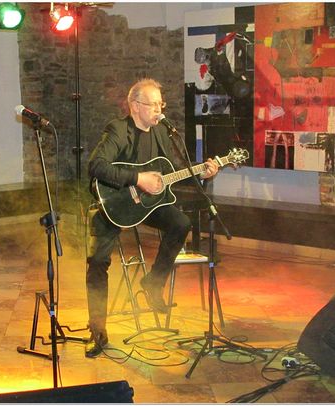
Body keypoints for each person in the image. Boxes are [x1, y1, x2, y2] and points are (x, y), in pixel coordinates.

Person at [85, 78, 220, 357]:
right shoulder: (118, 129)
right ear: (135, 106)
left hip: (147, 204)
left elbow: (167, 174)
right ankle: (97, 330)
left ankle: (153, 283)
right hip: (114, 203)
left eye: (161, 104)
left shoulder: (160, 133)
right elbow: (96, 166)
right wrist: (137, 178)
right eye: (153, 104)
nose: (160, 110)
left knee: (181, 223)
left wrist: (202, 172)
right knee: (98, 261)